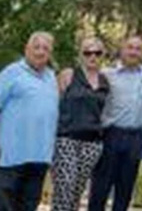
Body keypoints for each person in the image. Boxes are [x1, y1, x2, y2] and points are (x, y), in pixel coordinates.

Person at [0, 32, 59, 211]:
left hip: (39, 158)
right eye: (36, 47)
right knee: (1, 206)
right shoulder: (11, 72)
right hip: (9, 157)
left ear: (50, 54)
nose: (40, 52)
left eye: (45, 49)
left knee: (28, 206)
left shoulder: (51, 78)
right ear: (27, 49)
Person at [89, 36, 142, 211]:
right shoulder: (106, 74)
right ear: (122, 50)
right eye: (130, 47)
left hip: (136, 139)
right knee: (100, 188)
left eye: (138, 48)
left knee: (125, 190)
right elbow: (84, 76)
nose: (134, 52)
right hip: (110, 135)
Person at [52, 37, 110, 211]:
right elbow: (53, 106)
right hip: (66, 140)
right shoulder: (68, 75)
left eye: (97, 53)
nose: (92, 56)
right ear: (81, 55)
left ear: (103, 55)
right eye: (87, 52)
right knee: (65, 189)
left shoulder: (105, 82)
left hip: (92, 144)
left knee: (77, 192)